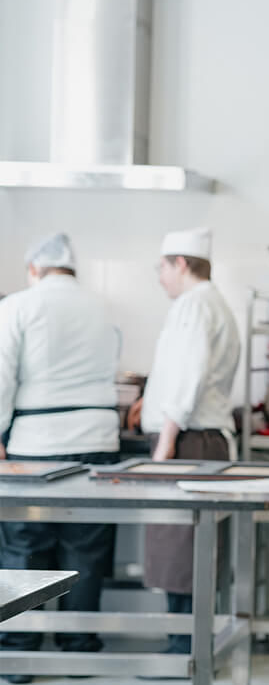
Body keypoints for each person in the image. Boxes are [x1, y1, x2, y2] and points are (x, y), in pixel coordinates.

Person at [0, 233, 120, 683]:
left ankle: (19, 650)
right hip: (97, 439)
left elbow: (1, 374)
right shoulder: (102, 306)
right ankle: (80, 646)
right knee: (85, 545)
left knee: (25, 545)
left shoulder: (18, 305)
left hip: (36, 442)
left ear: (34, 268)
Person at [128, 226, 240, 658]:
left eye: (161, 267)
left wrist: (165, 442)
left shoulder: (194, 305)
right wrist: (149, 400)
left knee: (183, 552)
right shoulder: (213, 304)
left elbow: (190, 377)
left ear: (180, 263)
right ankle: (188, 648)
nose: (159, 278)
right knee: (191, 551)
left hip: (188, 444)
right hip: (198, 440)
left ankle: (182, 654)